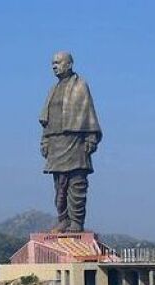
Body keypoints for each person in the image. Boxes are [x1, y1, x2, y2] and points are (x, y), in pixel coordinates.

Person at [39, 51, 102, 233]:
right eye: (52, 63)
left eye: (58, 62)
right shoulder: (53, 89)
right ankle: (63, 219)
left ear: (69, 64)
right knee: (59, 187)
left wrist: (90, 137)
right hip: (56, 142)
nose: (54, 66)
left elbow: (88, 112)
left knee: (76, 184)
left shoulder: (80, 85)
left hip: (76, 142)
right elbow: (46, 120)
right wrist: (45, 141)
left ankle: (76, 222)